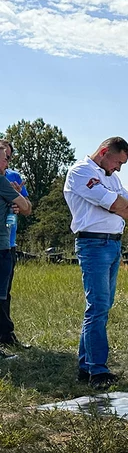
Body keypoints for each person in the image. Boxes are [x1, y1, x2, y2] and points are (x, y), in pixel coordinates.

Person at [63, 137, 128, 387]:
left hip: (113, 243)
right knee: (97, 307)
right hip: (93, 244)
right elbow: (117, 202)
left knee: (101, 307)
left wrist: (116, 207)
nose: (118, 168)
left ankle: (86, 366)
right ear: (104, 152)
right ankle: (98, 370)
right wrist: (117, 206)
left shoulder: (112, 178)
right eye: (118, 161)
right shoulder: (81, 172)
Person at [0, 139, 31, 351]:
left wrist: (17, 203)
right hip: (2, 243)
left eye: (10, 157)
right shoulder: (2, 180)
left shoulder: (13, 177)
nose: (8, 162)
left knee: (5, 291)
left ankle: (6, 335)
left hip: (9, 240)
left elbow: (27, 207)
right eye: (5, 158)